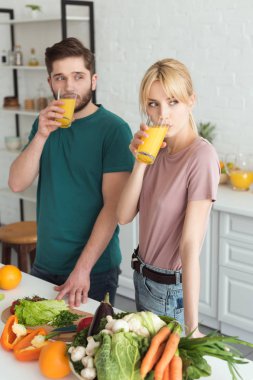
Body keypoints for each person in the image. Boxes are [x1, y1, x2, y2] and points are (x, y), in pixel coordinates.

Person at [8, 37, 134, 308]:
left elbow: (113, 208)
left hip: (93, 270)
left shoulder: (113, 130)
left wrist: (82, 269)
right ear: (50, 82)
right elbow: (17, 183)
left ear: (93, 80)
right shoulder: (44, 124)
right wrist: (41, 135)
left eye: (78, 76)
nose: (69, 87)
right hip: (44, 262)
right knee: (38, 343)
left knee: (80, 347)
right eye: (60, 78)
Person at [117, 58, 220, 337]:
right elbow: (123, 216)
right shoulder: (155, 151)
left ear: (191, 101)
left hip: (169, 292)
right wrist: (139, 162)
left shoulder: (201, 156)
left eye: (172, 102)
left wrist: (193, 327)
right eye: (153, 104)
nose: (162, 114)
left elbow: (189, 244)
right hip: (142, 279)